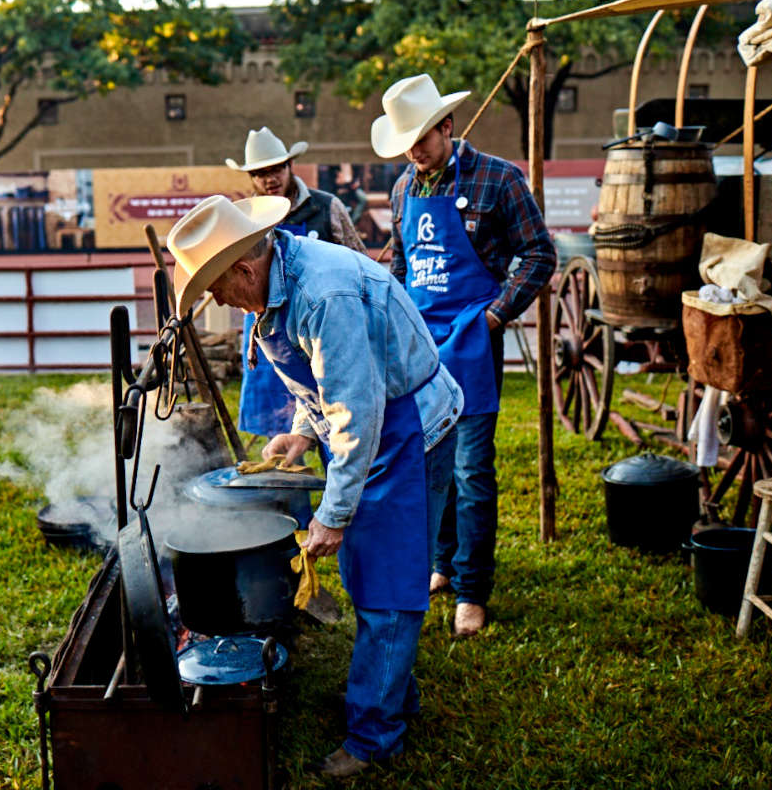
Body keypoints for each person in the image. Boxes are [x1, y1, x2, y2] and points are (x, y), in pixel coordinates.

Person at [168, 194, 462, 778]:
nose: (219, 300)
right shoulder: (276, 279)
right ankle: (392, 694)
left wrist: (332, 513)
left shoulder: (324, 293)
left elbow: (357, 407)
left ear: (245, 269)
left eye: (218, 287)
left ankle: (375, 739)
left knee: (388, 590)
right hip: (369, 427)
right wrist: (302, 433)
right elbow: (324, 382)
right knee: (365, 573)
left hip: (404, 430)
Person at [372, 74, 556, 638]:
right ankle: (442, 565)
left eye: (424, 137)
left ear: (447, 125)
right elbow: (403, 266)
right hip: (420, 348)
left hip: (473, 340)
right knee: (432, 464)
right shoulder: (403, 190)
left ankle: (472, 591)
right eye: (406, 142)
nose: (415, 150)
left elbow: (538, 254)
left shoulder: (498, 178)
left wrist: (497, 313)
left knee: (472, 470)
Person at [226, 127, 368, 439]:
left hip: (322, 329)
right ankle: (287, 488)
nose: (269, 179)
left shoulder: (326, 207)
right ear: (251, 178)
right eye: (260, 173)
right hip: (270, 336)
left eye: (276, 169)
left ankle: (339, 482)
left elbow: (358, 263)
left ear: (291, 166)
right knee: (279, 437)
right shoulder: (245, 219)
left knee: (336, 421)